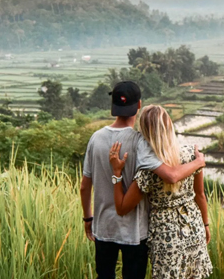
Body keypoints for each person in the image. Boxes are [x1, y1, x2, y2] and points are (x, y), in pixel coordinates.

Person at [79, 81, 206, 279]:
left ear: (112, 106)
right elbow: (170, 174)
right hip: (135, 231)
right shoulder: (141, 142)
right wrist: (198, 162)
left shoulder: (95, 138)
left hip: (103, 226)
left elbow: (84, 187)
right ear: (138, 105)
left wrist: (88, 218)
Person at [109, 104, 213, 279]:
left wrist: (117, 174)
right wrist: (206, 224)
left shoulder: (148, 171)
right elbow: (200, 195)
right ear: (169, 125)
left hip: (166, 234)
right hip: (194, 226)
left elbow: (122, 207)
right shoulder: (192, 155)